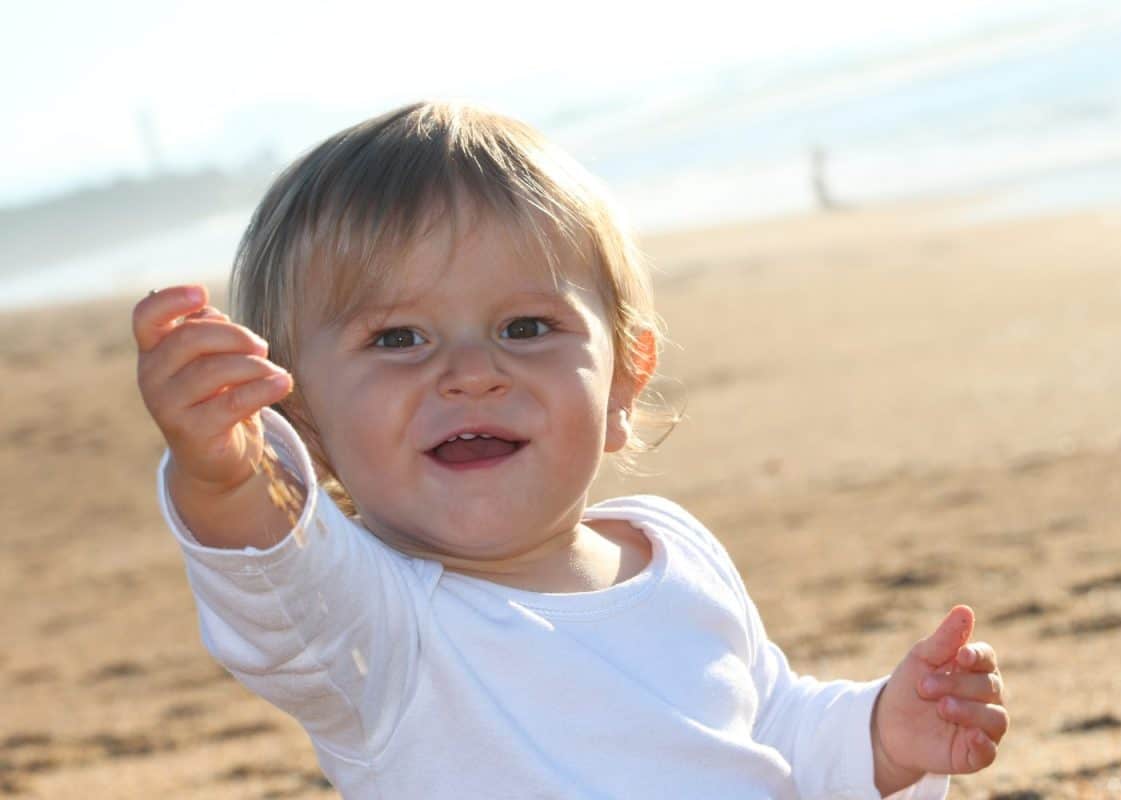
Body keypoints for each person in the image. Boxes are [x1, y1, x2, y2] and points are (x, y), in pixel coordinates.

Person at [133, 102, 1007, 799]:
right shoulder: (379, 624)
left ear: (625, 378)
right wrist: (229, 473)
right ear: (308, 423)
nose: (471, 372)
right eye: (398, 338)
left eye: (525, 326)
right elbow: (273, 575)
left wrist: (884, 733)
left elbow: (768, 727)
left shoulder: (674, 552)